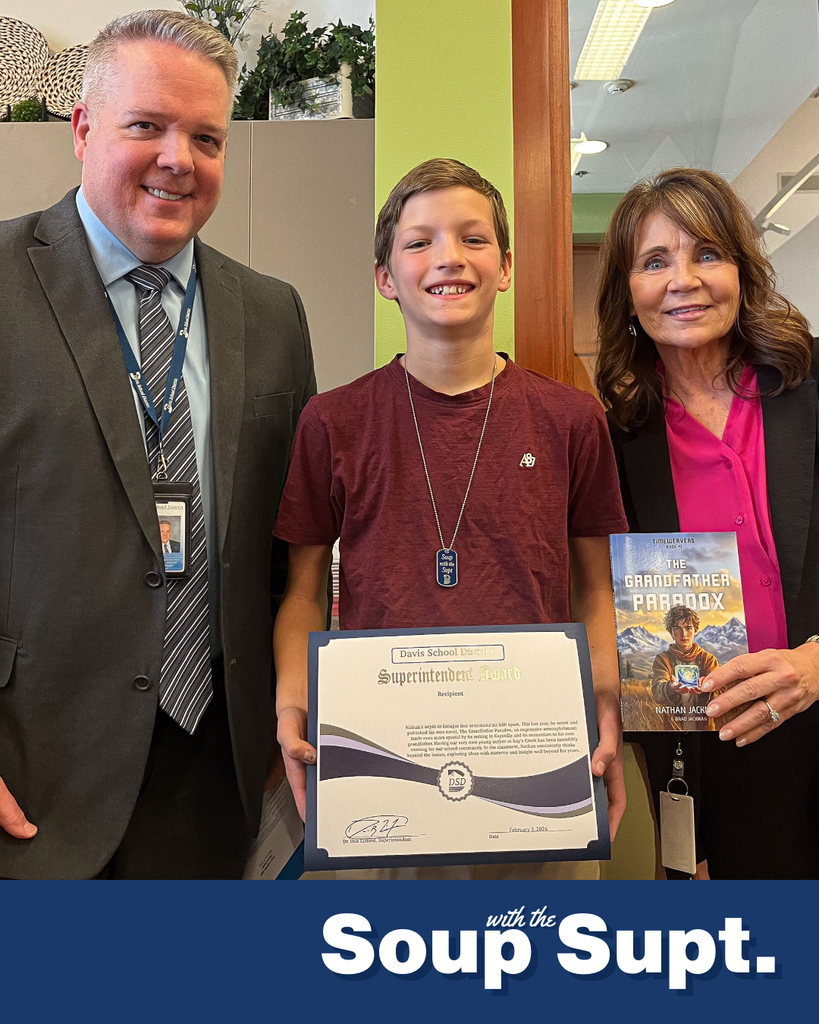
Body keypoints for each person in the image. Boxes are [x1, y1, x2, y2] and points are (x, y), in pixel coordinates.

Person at [0, 10, 315, 879]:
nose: (179, 158)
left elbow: (294, 546)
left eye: (206, 137)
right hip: (32, 777)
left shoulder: (272, 313)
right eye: (147, 125)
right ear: (83, 129)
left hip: (218, 771)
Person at [273, 158, 629, 880]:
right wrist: (291, 699)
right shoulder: (333, 420)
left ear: (503, 267)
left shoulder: (570, 419)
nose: (447, 258)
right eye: (418, 242)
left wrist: (605, 706)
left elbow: (596, 589)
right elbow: (303, 593)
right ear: (384, 277)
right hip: (376, 773)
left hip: (539, 769)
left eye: (472, 239)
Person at [596, 166, 819, 879]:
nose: (682, 279)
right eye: (654, 261)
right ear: (627, 294)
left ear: (742, 273)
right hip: (716, 769)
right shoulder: (616, 445)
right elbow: (634, 640)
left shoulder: (811, 397)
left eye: (706, 254)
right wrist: (680, 828)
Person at [651, 606, 718, 727]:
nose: (684, 634)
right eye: (677, 628)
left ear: (696, 630)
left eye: (688, 628)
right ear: (670, 631)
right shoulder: (663, 659)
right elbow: (657, 691)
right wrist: (670, 688)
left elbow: (720, 690)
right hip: (674, 727)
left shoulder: (708, 659)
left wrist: (706, 687)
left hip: (704, 728)